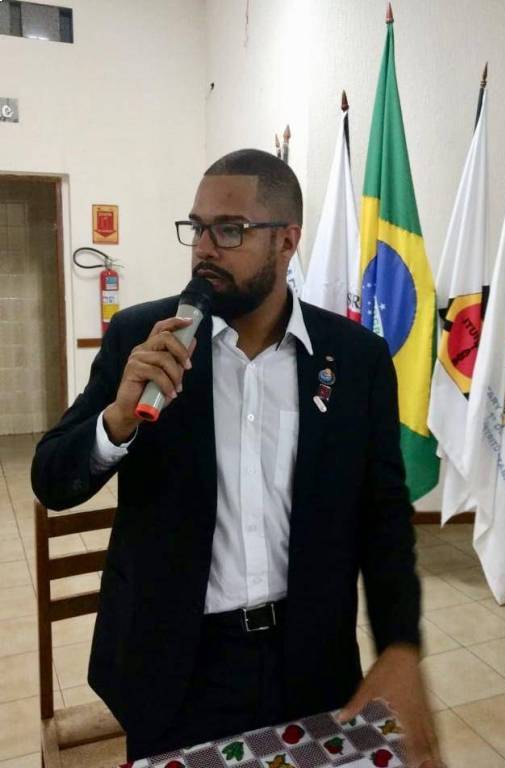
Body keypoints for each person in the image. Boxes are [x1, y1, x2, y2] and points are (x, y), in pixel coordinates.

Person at [32, 149, 444, 768]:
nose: (204, 248)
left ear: (287, 241)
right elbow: (51, 479)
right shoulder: (143, 339)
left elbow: (383, 518)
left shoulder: (356, 360)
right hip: (175, 667)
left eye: (229, 230)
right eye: (196, 227)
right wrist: (116, 421)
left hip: (310, 662)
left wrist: (401, 644)